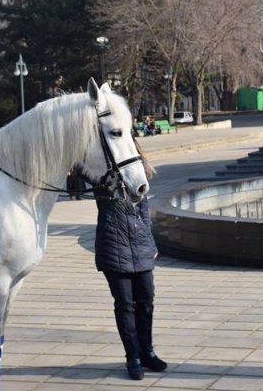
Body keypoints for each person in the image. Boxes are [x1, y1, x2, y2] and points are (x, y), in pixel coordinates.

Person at [92, 143, 166, 380]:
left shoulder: (138, 173)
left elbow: (144, 210)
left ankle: (148, 352)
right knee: (125, 305)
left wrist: (151, 242)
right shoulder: (101, 173)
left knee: (146, 302)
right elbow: (79, 167)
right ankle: (132, 356)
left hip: (141, 245)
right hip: (113, 245)